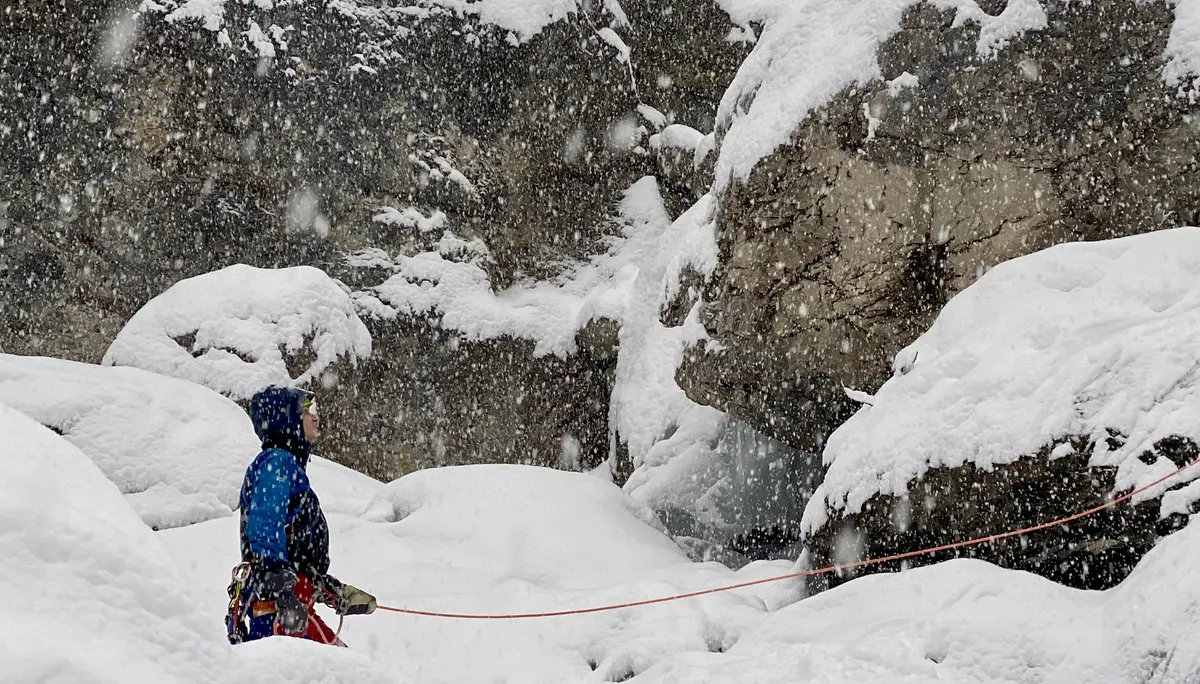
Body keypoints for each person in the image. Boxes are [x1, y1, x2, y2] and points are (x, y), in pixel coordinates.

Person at [225, 385, 377, 646]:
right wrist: (283, 590)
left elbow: (295, 552)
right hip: (280, 611)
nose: (316, 417)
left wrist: (334, 591)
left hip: (287, 607)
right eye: (308, 410)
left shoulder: (285, 465)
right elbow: (265, 523)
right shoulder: (277, 462)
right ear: (287, 417)